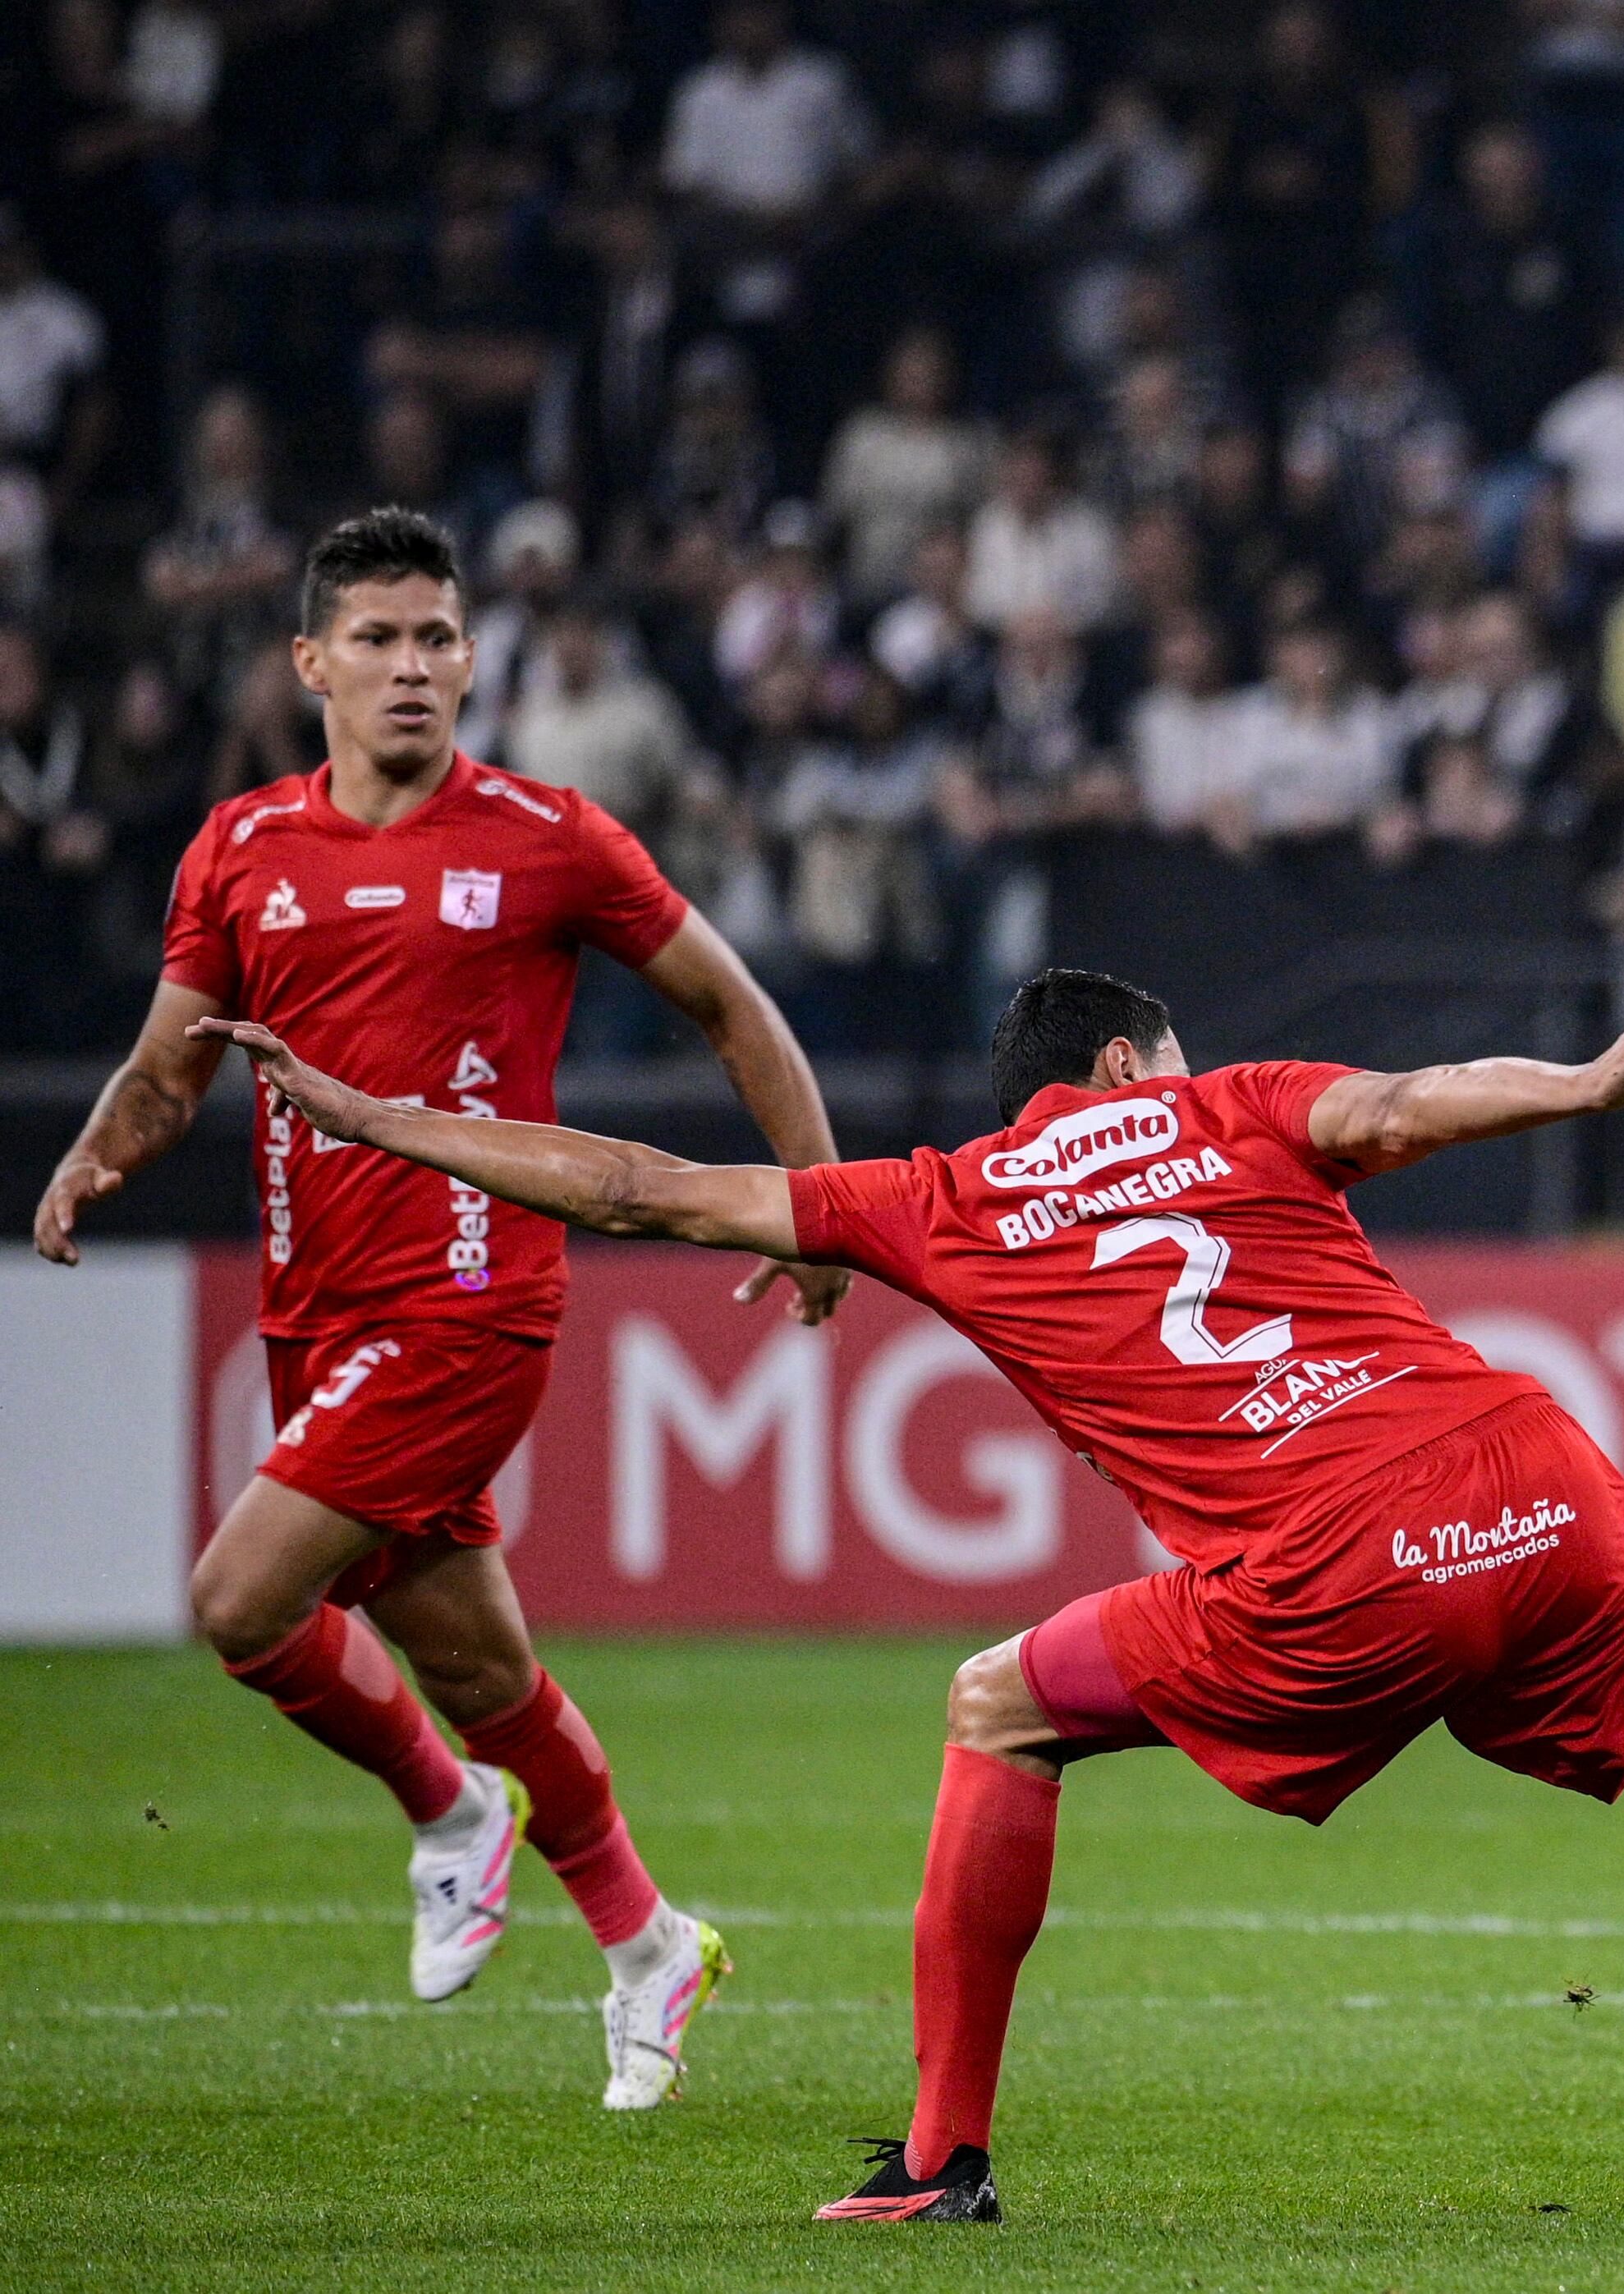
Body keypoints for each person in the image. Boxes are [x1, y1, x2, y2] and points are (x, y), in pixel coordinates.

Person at [195, 968, 1624, 2224]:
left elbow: (626, 1177)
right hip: (1545, 1495)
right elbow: (1407, 1100)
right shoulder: (1231, 1108)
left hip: (1337, 1565)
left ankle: (938, 2163)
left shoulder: (932, 1197)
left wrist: (371, 1119)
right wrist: (1595, 1077)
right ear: (1126, 1071)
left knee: (1002, 1701)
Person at [25, 508, 851, 2108]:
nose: (414, 667)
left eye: (440, 638)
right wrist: (89, 1159)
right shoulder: (240, 847)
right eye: (383, 639)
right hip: (313, 1311)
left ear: (473, 659)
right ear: (311, 662)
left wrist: (811, 1201)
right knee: (485, 1674)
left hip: (472, 1296)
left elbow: (731, 1005)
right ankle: (645, 1939)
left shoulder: (550, 835)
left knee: (239, 1599)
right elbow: (168, 1064)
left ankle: (454, 1816)